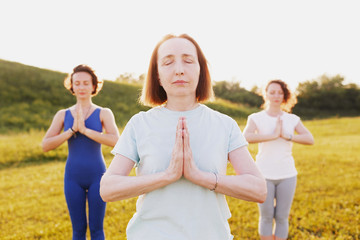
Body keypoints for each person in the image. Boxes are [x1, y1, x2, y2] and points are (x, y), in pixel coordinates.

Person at [99, 33, 267, 240]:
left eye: (188, 61)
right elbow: (108, 188)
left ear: (200, 70)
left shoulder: (224, 124)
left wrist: (199, 176)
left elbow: (258, 189)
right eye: (168, 62)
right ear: (157, 75)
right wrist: (167, 176)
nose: (179, 69)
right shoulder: (140, 124)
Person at [42, 64, 119, 240]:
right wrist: (70, 131)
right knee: (78, 230)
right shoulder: (63, 114)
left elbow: (115, 140)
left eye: (86, 83)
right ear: (72, 86)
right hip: (73, 178)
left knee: (97, 229)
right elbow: (45, 145)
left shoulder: (104, 113)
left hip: (97, 176)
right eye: (77, 83)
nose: (81, 87)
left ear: (93, 86)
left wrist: (85, 131)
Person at [243, 79, 314, 240]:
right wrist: (273, 136)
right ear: (265, 94)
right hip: (263, 174)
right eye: (272, 92)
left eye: (280, 92)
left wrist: (287, 136)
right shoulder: (255, 117)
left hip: (287, 174)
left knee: (282, 217)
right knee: (266, 216)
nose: (276, 95)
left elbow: (310, 139)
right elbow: (245, 137)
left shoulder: (292, 119)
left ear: (284, 96)